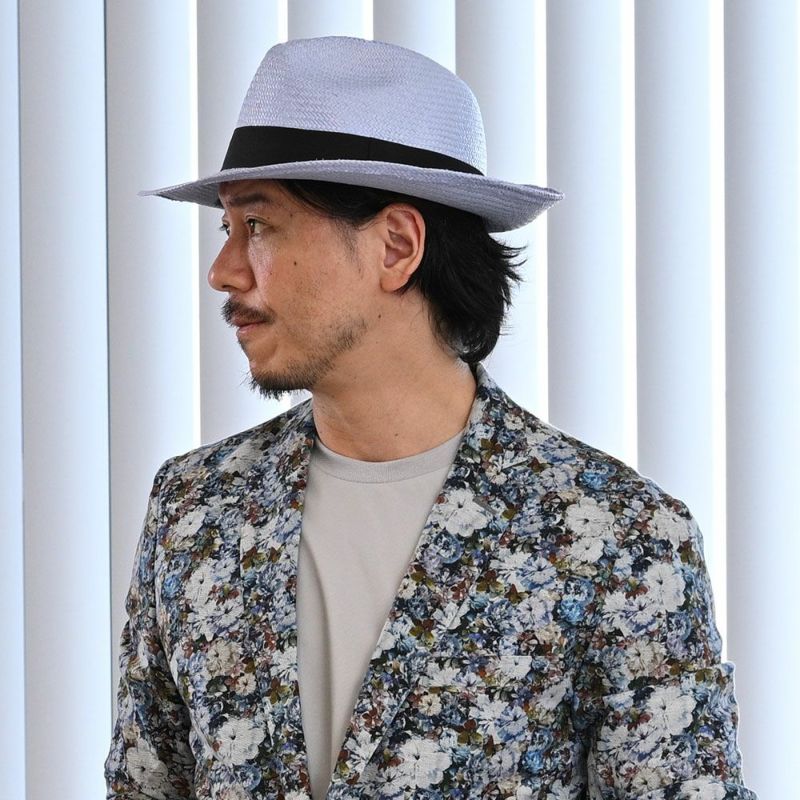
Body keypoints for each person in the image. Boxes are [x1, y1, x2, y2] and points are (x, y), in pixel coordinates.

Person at [105, 36, 756, 800]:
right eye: (228, 230)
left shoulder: (618, 544)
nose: (223, 272)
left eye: (261, 226)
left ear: (397, 246)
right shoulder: (195, 511)